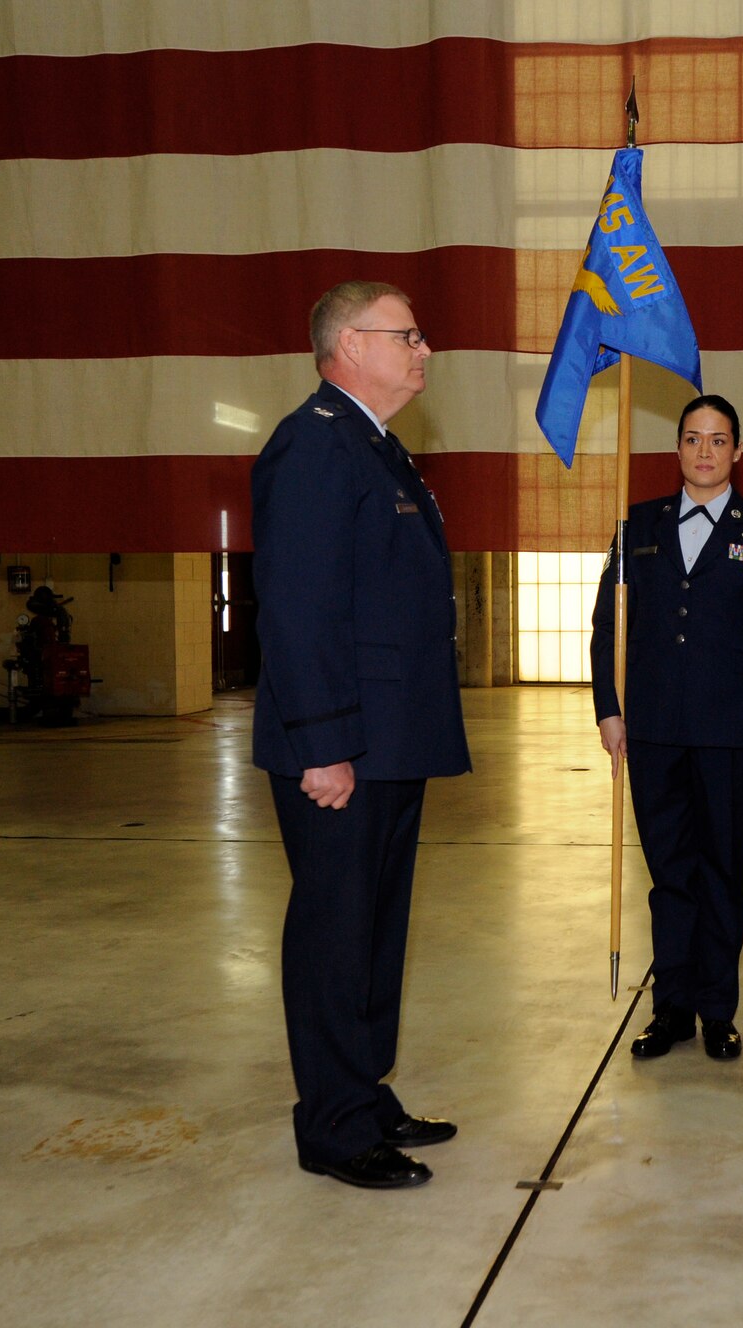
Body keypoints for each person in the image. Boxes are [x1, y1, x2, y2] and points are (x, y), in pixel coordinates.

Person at [251, 281, 471, 1189]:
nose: (425, 350)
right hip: (345, 743)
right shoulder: (315, 445)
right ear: (348, 343)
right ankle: (333, 1125)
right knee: (336, 932)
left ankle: (363, 1090)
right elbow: (299, 612)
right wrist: (326, 744)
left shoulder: (378, 449)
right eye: (408, 335)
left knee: (377, 929)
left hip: (392, 735)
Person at [590, 394, 743, 1062]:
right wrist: (609, 708)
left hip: (733, 740)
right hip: (653, 734)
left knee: (720, 873)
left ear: (737, 451)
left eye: (718, 441)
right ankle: (673, 1009)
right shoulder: (637, 527)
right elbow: (608, 627)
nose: (705, 451)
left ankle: (718, 1009)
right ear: (677, 448)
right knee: (669, 874)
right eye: (692, 439)